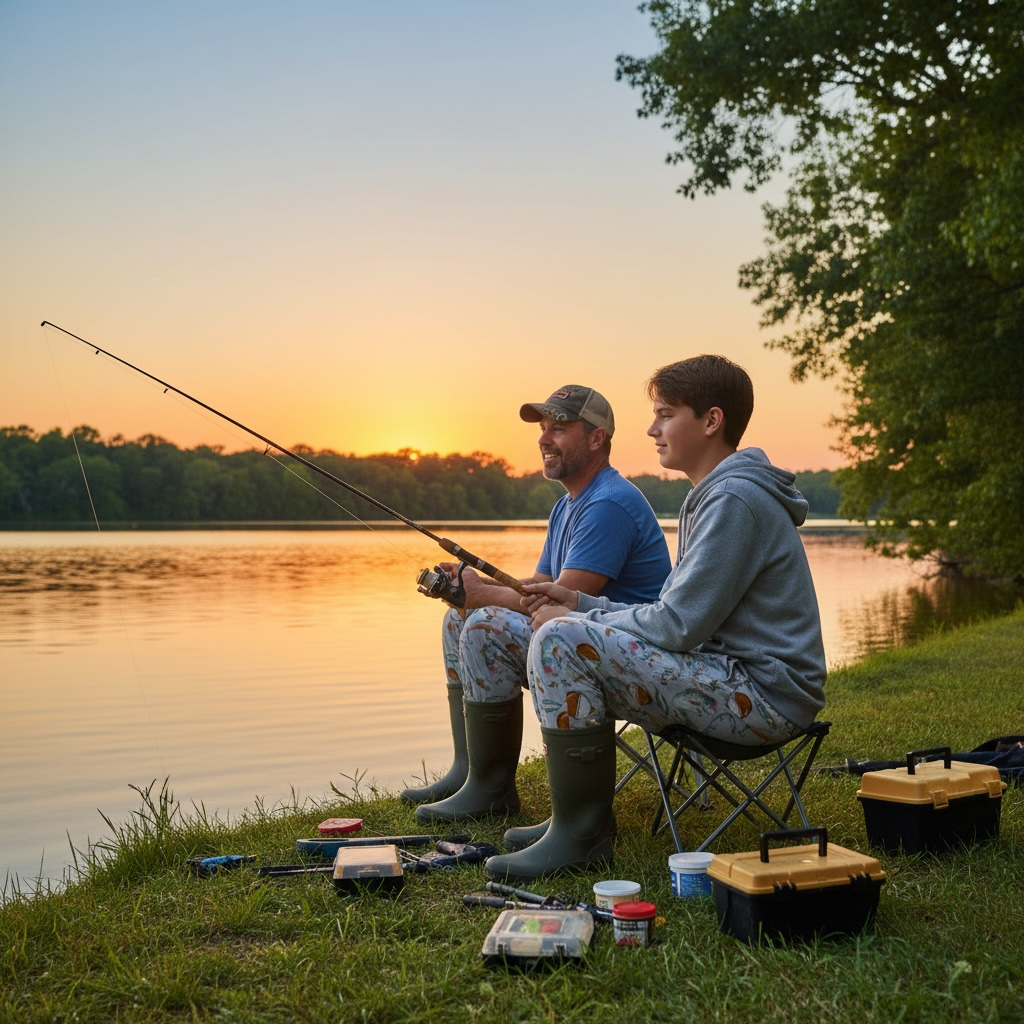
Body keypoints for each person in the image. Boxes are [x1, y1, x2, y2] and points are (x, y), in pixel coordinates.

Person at [484, 355, 827, 882]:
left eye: (665, 415)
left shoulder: (734, 499)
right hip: (735, 677)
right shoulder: (713, 495)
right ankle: (573, 823)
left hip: (765, 697)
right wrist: (577, 603)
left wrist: (574, 623)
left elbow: (676, 627)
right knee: (563, 628)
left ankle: (581, 836)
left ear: (711, 421)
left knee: (560, 642)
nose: (651, 429)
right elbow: (671, 611)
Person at [402, 384, 671, 833]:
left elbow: (560, 602)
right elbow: (541, 585)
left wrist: (483, 597)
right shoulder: (569, 505)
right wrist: (471, 584)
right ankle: (470, 774)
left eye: (559, 428)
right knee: (460, 616)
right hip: (586, 641)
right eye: (544, 428)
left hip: (625, 653)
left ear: (596, 438)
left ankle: (493, 791)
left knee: (486, 623)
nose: (545, 438)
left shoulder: (608, 504)